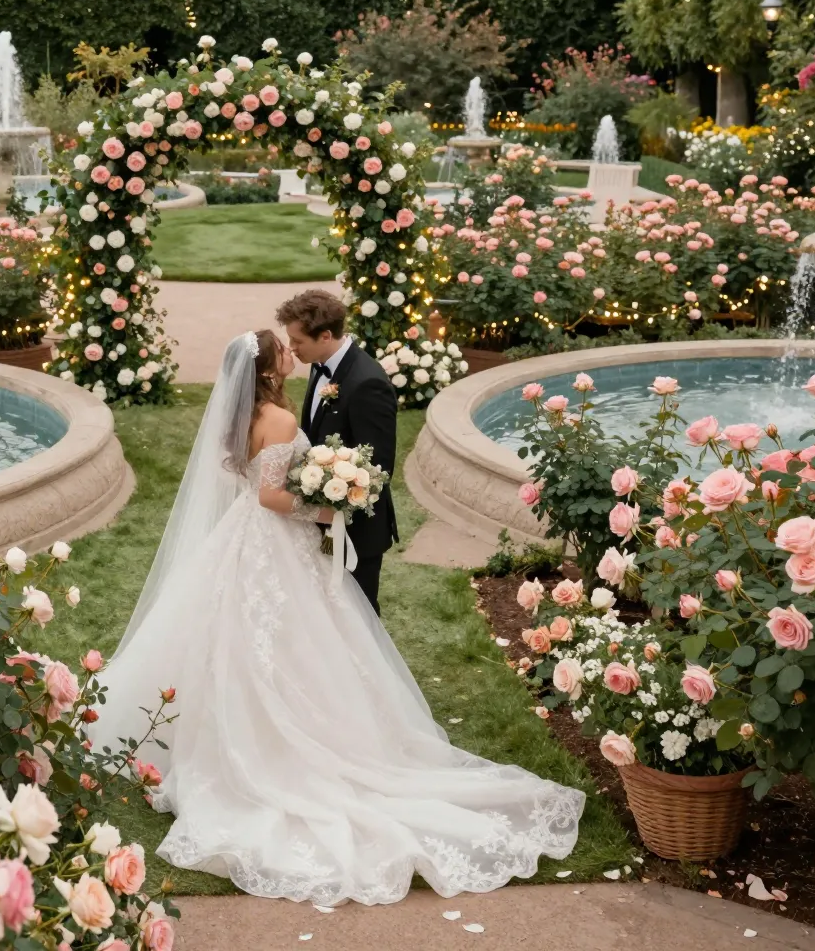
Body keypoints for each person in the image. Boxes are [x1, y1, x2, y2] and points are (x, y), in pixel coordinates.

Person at [94, 330, 584, 907]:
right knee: (295, 638)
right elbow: (272, 496)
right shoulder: (275, 419)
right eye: (281, 349)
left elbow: (249, 481)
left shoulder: (239, 418)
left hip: (242, 542)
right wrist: (329, 506)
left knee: (234, 635)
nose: (289, 353)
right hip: (275, 538)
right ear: (270, 368)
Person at [276, 289, 396, 613]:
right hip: (321, 522)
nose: (292, 347)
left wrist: (335, 498)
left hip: (357, 530)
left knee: (360, 616)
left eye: (297, 340)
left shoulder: (368, 383)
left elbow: (379, 467)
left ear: (325, 335)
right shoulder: (320, 365)